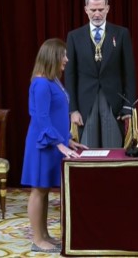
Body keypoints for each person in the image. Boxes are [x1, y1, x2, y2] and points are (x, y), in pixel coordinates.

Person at [21, 38, 87, 252]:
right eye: (63, 55)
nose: (66, 59)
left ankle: (45, 234)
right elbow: (41, 118)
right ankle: (37, 240)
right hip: (43, 145)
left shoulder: (53, 80)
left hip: (53, 142)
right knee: (38, 190)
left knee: (44, 189)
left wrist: (69, 140)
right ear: (53, 57)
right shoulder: (41, 83)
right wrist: (60, 145)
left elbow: (55, 115)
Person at [65, 0, 136, 148]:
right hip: (85, 104)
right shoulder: (74, 37)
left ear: (108, 9)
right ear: (86, 10)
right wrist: (73, 109)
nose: (97, 14)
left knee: (113, 151)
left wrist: (128, 105)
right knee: (88, 152)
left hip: (114, 103)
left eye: (100, 10)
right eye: (93, 10)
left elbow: (129, 73)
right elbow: (70, 75)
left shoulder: (121, 33)